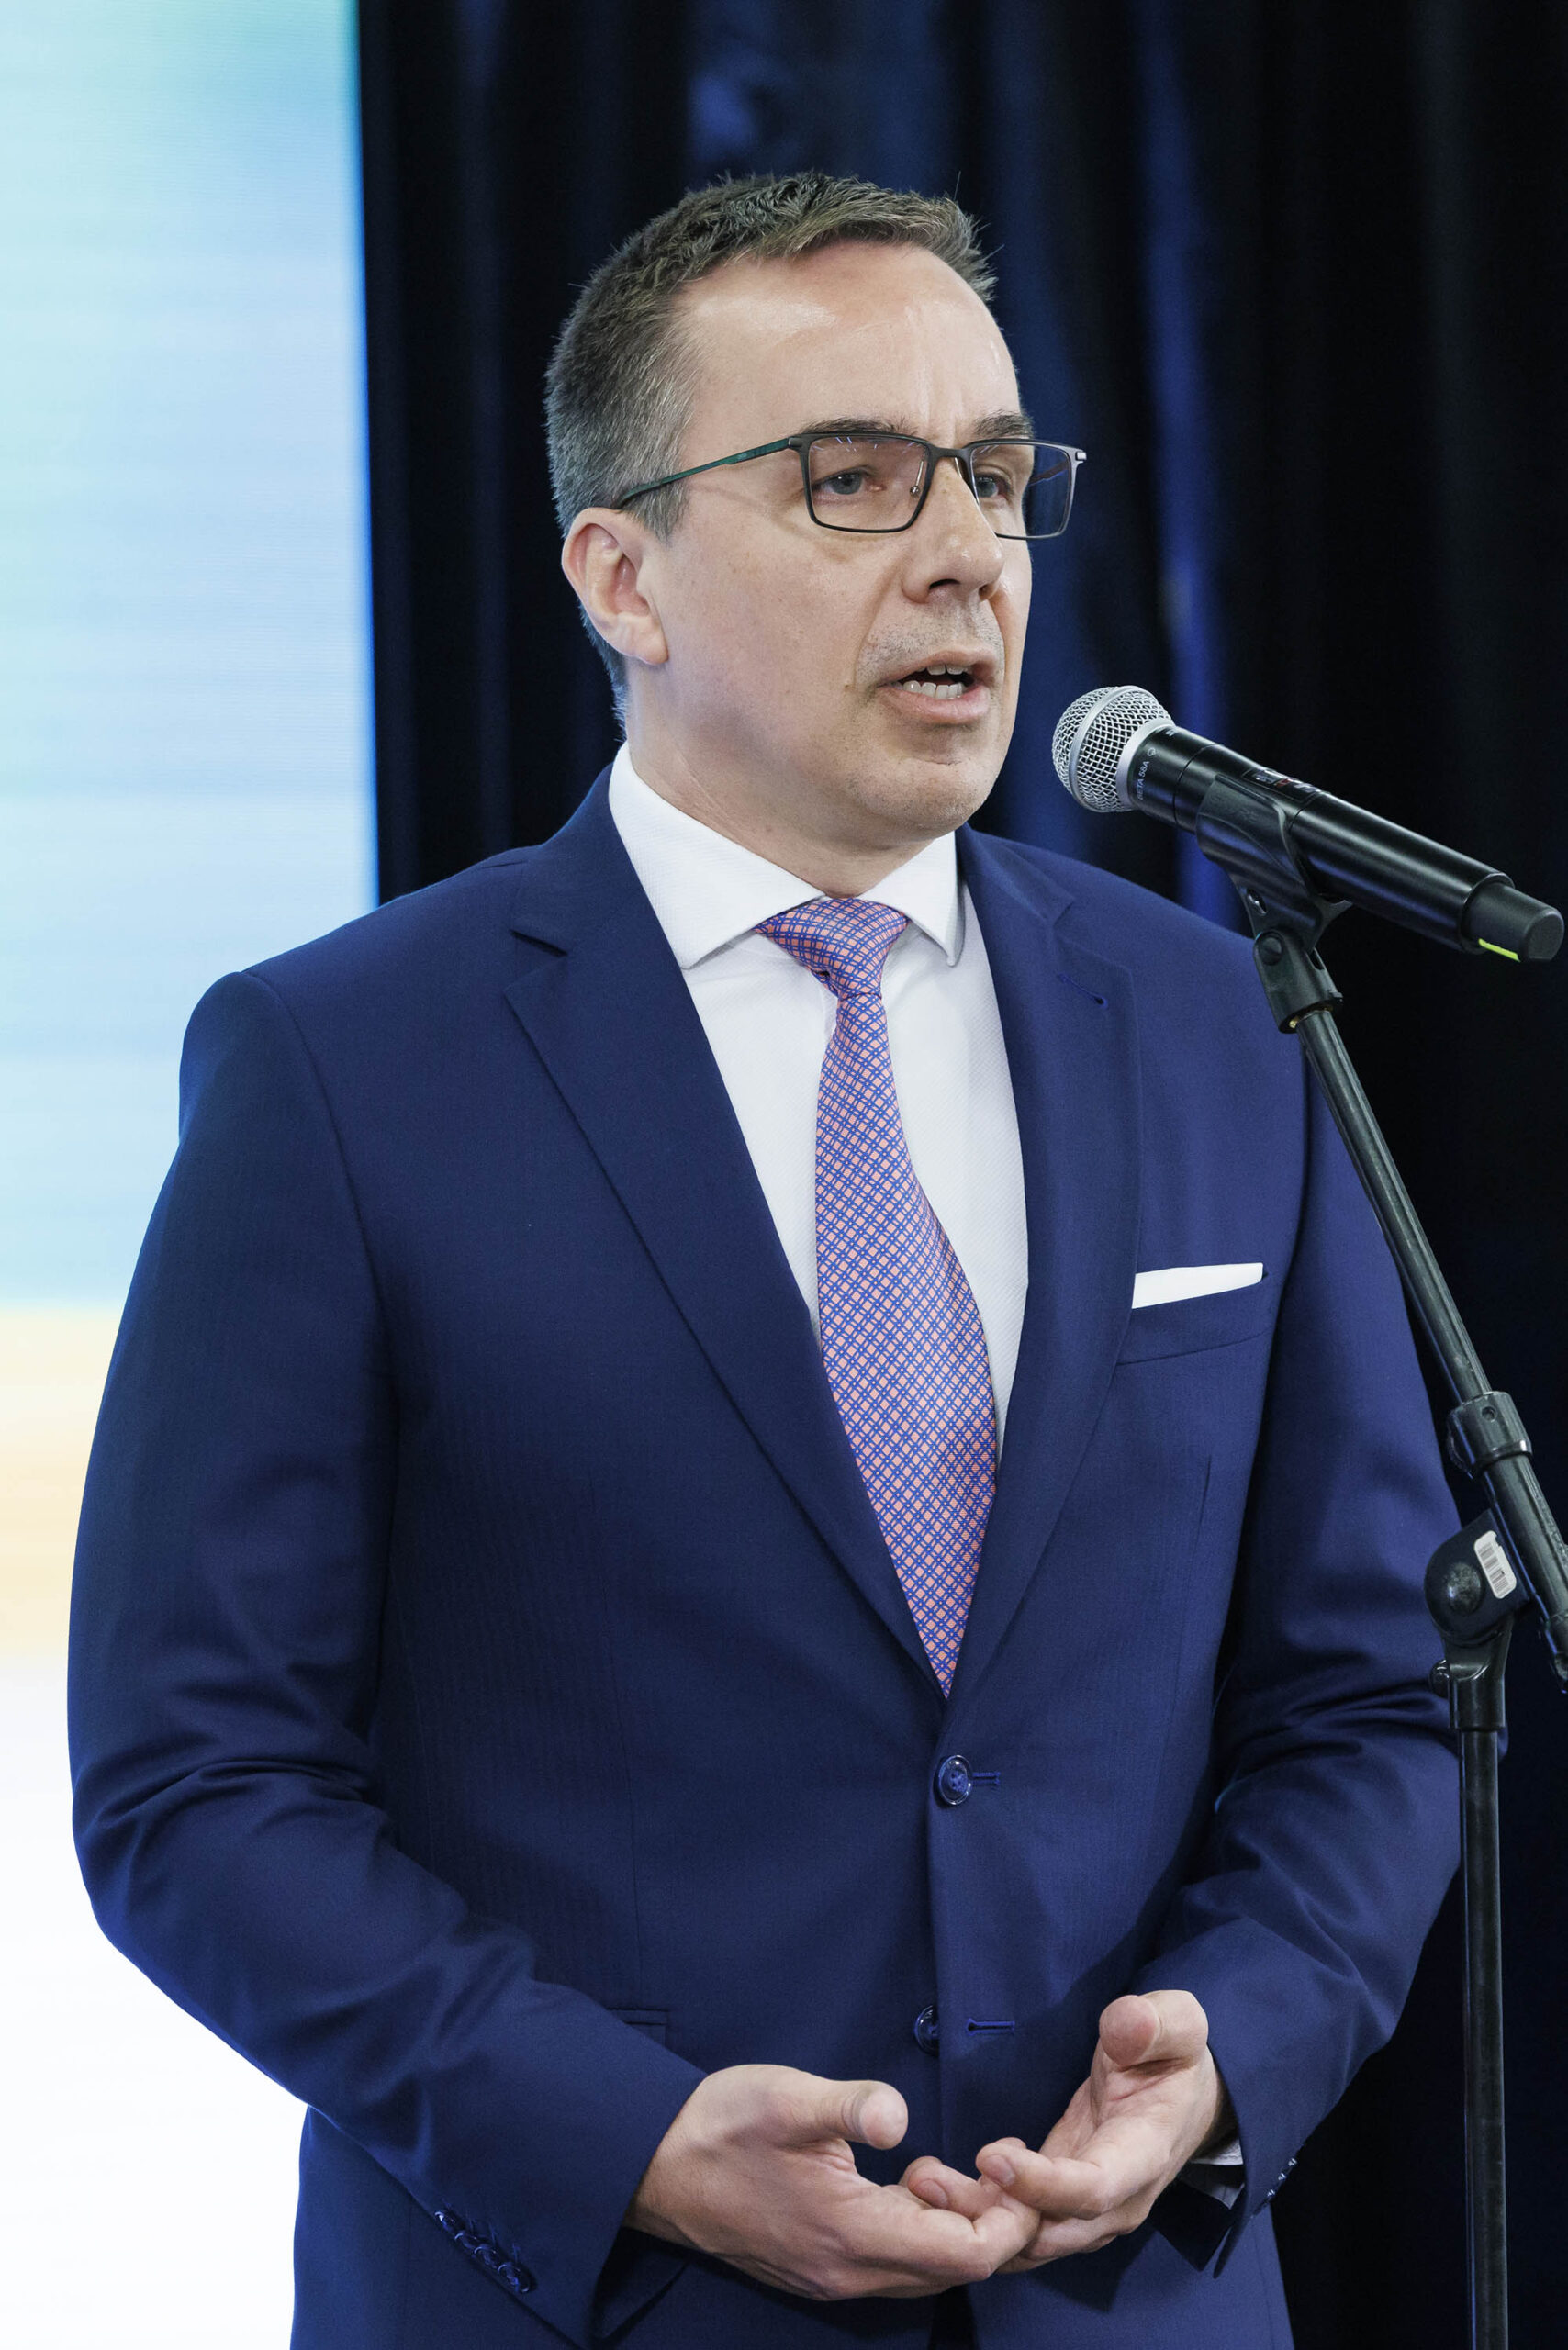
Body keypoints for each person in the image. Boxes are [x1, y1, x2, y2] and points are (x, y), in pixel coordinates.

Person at [69, 173, 1459, 2350]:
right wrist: (622, 2133)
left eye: (992, 475)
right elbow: (194, 1783)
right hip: (590, 2300)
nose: (964, 554)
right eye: (853, 480)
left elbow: (1368, 1693)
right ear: (618, 574)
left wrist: (1232, 2040)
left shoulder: (1220, 1026)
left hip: (1121, 2299)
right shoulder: (340, 1068)